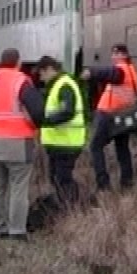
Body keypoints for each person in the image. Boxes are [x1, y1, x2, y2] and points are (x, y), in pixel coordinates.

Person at [0, 48, 44, 240]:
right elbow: (38, 112)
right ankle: (17, 230)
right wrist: (35, 125)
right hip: (18, 143)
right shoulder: (21, 82)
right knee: (18, 188)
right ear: (18, 62)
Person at [81, 43, 137, 192]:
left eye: (116, 53)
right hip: (124, 116)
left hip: (109, 114)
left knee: (95, 146)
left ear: (124, 55)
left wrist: (91, 72)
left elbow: (109, 73)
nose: (113, 57)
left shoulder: (121, 70)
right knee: (122, 149)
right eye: (113, 54)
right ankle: (127, 183)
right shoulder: (133, 71)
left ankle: (103, 184)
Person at [36, 55, 86, 209]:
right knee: (57, 178)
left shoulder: (64, 85)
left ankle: (70, 208)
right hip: (60, 142)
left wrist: (46, 121)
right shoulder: (58, 85)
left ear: (49, 69)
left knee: (62, 179)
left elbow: (67, 111)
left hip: (67, 143)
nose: (41, 78)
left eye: (41, 73)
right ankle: (68, 206)